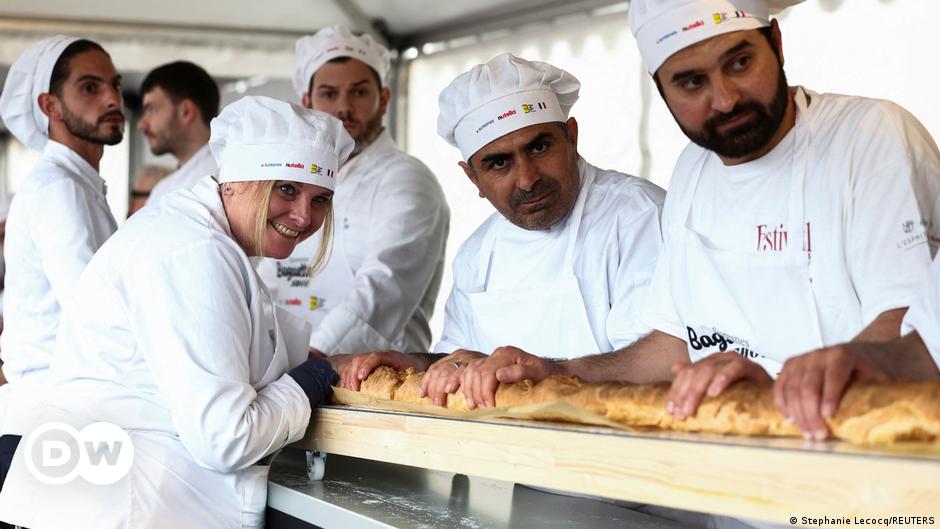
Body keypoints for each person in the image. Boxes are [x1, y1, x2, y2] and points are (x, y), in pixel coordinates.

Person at [460, 0, 940, 438]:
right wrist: (555, 369)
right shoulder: (693, 169)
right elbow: (672, 346)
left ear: (775, 43)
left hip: (855, 464)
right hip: (730, 476)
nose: (726, 99)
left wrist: (777, 389)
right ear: (660, 89)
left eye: (739, 62)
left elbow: (905, 322)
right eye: (692, 82)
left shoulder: (868, 136)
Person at [0, 96, 351, 529]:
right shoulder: (195, 250)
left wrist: (313, 367)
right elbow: (227, 439)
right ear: (235, 183)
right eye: (286, 189)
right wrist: (313, 380)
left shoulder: (199, 237)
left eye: (321, 200)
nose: (303, 216)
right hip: (121, 507)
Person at [336, 54, 666, 408]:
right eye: (499, 163)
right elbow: (462, 358)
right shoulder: (477, 253)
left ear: (572, 137)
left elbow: (662, 363)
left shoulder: (637, 215)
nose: (527, 179)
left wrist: (552, 371)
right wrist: (421, 364)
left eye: (539, 147)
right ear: (472, 177)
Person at [272, 25, 448, 356]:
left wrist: (313, 359)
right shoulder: (295, 182)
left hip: (367, 386)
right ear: (307, 102)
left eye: (359, 92)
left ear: (383, 99)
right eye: (328, 94)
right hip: (285, 374)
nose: (343, 108)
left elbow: (385, 284)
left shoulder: (406, 179)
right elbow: (266, 275)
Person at [0, 35, 122, 391]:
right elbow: (97, 316)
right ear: (50, 106)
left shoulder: (78, 184)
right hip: (53, 411)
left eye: (115, 85)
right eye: (90, 87)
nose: (112, 98)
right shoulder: (59, 188)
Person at [137, 61, 219, 201]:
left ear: (185, 112)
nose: (142, 124)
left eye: (151, 109)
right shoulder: (166, 188)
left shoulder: (224, 180)